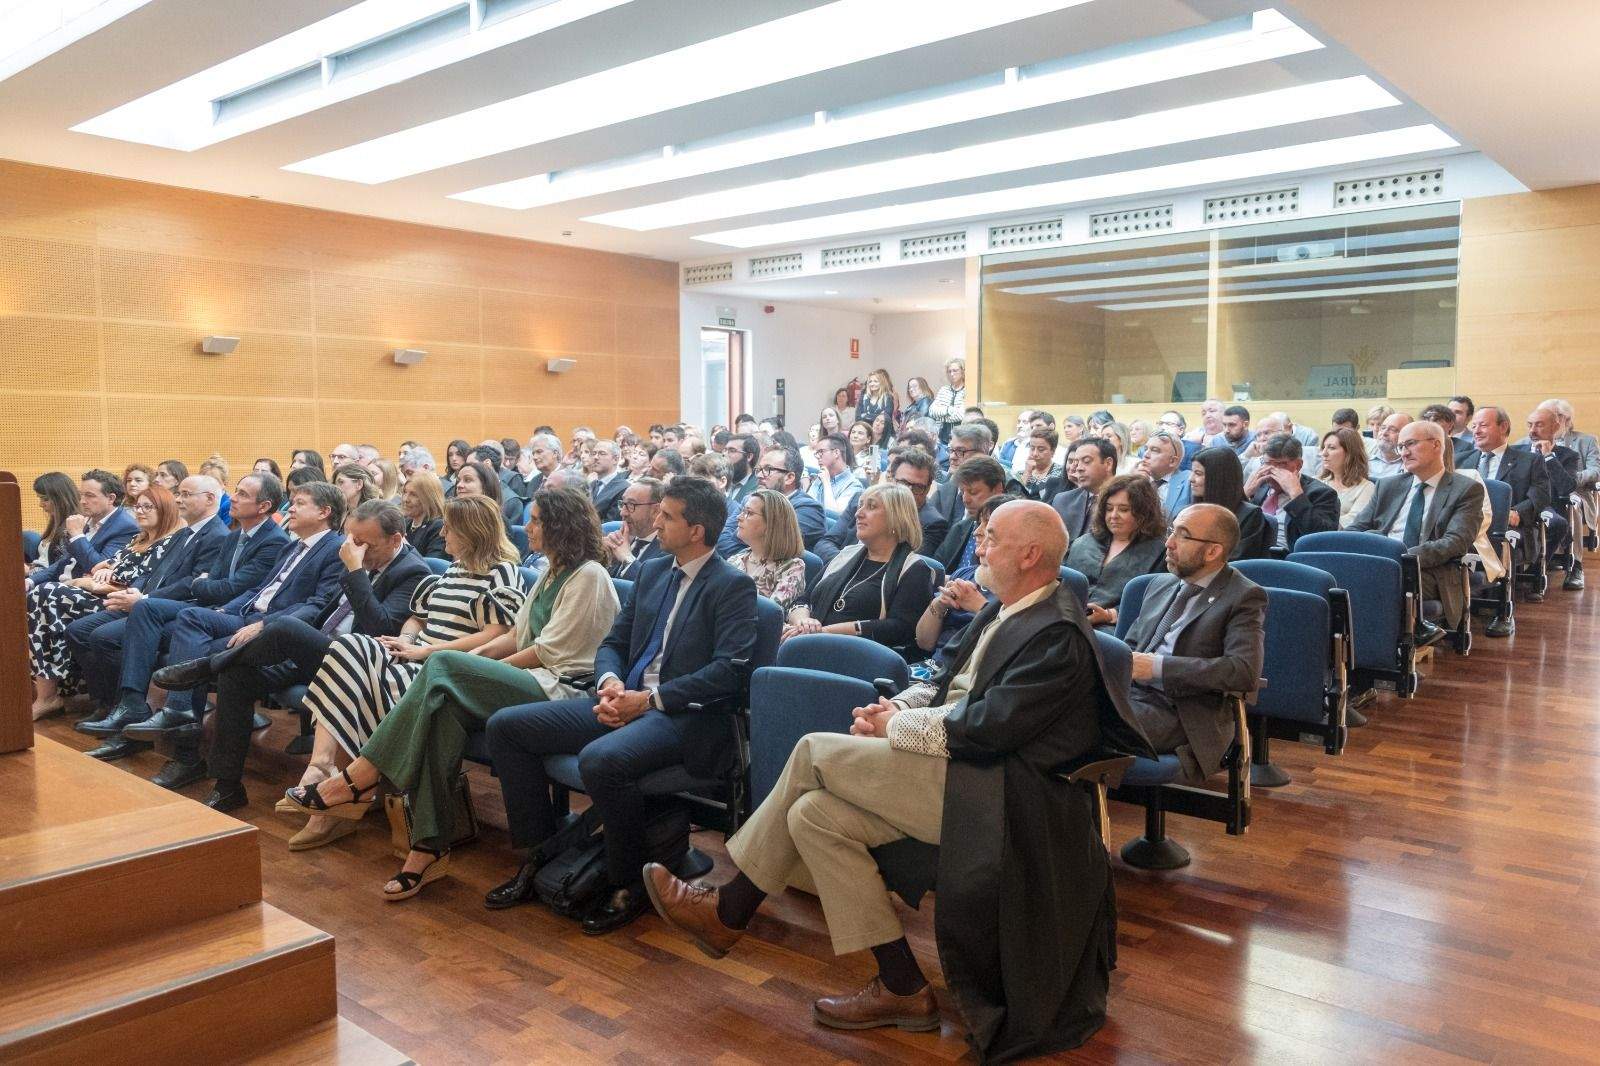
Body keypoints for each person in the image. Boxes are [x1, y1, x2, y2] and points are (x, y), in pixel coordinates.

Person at [644, 500, 1152, 1060]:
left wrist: (895, 728)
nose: (979, 546)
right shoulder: (1007, 608)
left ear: (1030, 554)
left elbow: (987, 730)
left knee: (813, 750)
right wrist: (892, 706)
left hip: (1003, 795)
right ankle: (904, 988)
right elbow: (943, 680)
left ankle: (730, 908)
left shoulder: (1057, 633)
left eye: (993, 539)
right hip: (961, 773)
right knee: (812, 815)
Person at [285, 489, 617, 885]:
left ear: (560, 527)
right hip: (531, 678)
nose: (528, 527)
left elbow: (548, 652)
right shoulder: (551, 571)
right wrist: (474, 668)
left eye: (537, 520)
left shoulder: (590, 575)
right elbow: (517, 636)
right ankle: (428, 845)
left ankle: (358, 779)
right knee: (443, 711)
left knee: (443, 665)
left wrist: (472, 668)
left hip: (561, 689)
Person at [483, 476, 757, 932]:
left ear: (697, 530)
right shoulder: (652, 571)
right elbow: (614, 641)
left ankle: (627, 881)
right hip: (624, 697)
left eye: (667, 516)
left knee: (601, 759)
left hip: (684, 716)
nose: (655, 520)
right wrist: (610, 682)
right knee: (507, 727)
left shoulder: (731, 586)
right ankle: (545, 854)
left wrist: (647, 700)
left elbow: (729, 671)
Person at [150, 499, 431, 811]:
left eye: (367, 544)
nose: (358, 550)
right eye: (354, 541)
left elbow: (380, 628)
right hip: (318, 652)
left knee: (285, 627)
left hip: (356, 665)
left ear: (395, 540)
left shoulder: (412, 571)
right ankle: (227, 785)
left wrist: (354, 570)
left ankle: (206, 667)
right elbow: (323, 606)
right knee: (237, 675)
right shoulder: (358, 555)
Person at [289, 494, 525, 840]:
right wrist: (407, 641)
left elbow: (494, 637)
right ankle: (324, 770)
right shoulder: (454, 569)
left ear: (472, 532)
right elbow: (418, 617)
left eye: (450, 528)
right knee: (349, 645)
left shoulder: (502, 572)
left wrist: (427, 651)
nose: (442, 534)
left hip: (444, 672)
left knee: (352, 666)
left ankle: (335, 789)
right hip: (415, 658)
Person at [93, 481, 342, 765]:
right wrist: (225, 610)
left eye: (299, 503)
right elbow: (257, 591)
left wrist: (263, 624)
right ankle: (153, 711)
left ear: (324, 512)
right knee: (185, 617)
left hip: (274, 631)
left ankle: (184, 750)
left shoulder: (333, 548)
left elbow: (316, 607)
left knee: (190, 646)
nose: (291, 508)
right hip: (243, 614)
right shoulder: (293, 547)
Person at [68, 474, 287, 761]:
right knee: (88, 629)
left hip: (217, 612)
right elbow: (207, 583)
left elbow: (225, 588)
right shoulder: (233, 536)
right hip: (201, 608)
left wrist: (167, 593)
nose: (232, 497)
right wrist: (148, 592)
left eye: (242, 494)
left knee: (131, 623)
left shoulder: (270, 540)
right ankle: (129, 712)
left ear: (263, 505)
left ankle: (139, 714)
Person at [61, 475, 230, 721]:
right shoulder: (184, 534)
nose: (179, 500)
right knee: (77, 630)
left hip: (175, 608)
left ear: (210, 499)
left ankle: (128, 706)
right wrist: (134, 591)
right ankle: (110, 702)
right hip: (148, 600)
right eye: (178, 494)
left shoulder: (218, 535)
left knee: (101, 637)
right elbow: (154, 572)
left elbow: (192, 585)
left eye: (185, 494)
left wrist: (145, 597)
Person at [1122, 503, 1266, 782]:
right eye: (1171, 531)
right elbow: (1128, 647)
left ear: (1213, 551)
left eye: (1183, 535)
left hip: (1182, 712)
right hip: (1132, 696)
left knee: (1077, 720)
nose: (1169, 543)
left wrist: (1157, 667)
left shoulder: (1244, 596)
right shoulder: (1160, 584)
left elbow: (1242, 671)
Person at [28, 484, 181, 719]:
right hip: (107, 596)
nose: (140, 511)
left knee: (47, 594)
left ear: (165, 510)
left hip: (123, 602)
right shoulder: (137, 539)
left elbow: (135, 582)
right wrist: (98, 575)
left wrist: (91, 581)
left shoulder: (165, 543)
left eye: (148, 507)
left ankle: (59, 694)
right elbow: (101, 567)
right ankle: (81, 695)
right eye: (138, 506)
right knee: (43, 596)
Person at [1348, 421, 1485, 640]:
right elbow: (1357, 527)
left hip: (1429, 570)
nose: (1404, 452)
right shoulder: (1388, 486)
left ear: (1436, 445)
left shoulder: (1466, 489)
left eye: (1410, 444)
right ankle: (1352, 649)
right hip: (1378, 559)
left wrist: (1401, 557)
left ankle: (1388, 650)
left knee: (1381, 576)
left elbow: (1455, 542)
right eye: (1400, 446)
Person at [785, 484, 937, 653]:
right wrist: (803, 623)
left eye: (871, 506)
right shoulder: (846, 555)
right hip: (808, 643)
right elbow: (803, 600)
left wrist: (825, 633)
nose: (858, 513)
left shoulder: (914, 569)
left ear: (897, 517)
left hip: (858, 659)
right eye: (860, 505)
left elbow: (900, 628)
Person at [1065, 474, 1168, 628]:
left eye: (1124, 509)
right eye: (1109, 508)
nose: (1113, 516)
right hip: (1066, 619)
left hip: (1114, 630)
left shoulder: (1159, 552)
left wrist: (1109, 615)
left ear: (1143, 513)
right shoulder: (1084, 542)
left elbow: (1155, 604)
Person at [815, 447, 948, 564]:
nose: (908, 491)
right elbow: (825, 544)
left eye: (917, 487)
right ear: (891, 479)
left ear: (927, 489)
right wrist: (844, 566)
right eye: (902, 483)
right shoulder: (861, 501)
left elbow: (903, 568)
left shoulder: (932, 524)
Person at [27, 469, 137, 591]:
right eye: (81, 495)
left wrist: (77, 535)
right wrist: (31, 580)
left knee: (40, 592)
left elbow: (99, 568)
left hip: (87, 592)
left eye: (89, 496)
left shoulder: (126, 527)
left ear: (111, 498)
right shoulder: (86, 519)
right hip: (63, 585)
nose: (82, 501)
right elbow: (64, 561)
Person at [715, 446, 825, 555]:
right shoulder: (749, 499)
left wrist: (740, 539)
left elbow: (773, 548)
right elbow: (722, 537)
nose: (758, 475)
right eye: (758, 469)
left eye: (767, 469)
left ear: (789, 477)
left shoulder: (808, 509)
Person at [1244, 434, 1341, 554]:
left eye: (1280, 465)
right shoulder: (1259, 485)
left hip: (1291, 559)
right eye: (1267, 463)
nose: (1271, 471)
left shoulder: (1322, 493)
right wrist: (1244, 494)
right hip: (1251, 553)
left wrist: (1296, 495)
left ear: (1299, 465)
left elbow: (1322, 538)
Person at [727, 489, 808, 611]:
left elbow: (769, 615)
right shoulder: (736, 559)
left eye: (749, 513)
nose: (739, 517)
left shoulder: (792, 568)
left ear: (771, 523)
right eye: (742, 511)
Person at [1189, 447, 1269, 560]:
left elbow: (1235, 561)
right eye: (1192, 472)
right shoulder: (1189, 512)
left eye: (1198, 473)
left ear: (1218, 478)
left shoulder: (1249, 516)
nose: (1190, 479)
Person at [934, 455, 1009, 573]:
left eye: (973, 492)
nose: (965, 499)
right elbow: (935, 568)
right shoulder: (960, 528)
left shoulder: (1010, 534)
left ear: (997, 489)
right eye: (962, 491)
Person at [1050, 437, 1119, 540]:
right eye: (1077, 462)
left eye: (1086, 461)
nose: (1078, 468)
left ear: (1108, 464)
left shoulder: (1127, 502)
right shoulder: (1063, 500)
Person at [605, 477, 667, 581]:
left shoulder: (667, 548)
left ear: (656, 510)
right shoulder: (623, 539)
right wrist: (604, 556)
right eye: (622, 504)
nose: (622, 513)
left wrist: (627, 558)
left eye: (631, 505)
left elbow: (651, 587)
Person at [1318, 427, 1376, 528]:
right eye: (1323, 447)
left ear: (1349, 453)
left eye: (1331, 448)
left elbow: (1352, 523)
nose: (1324, 453)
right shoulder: (1316, 481)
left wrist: (1315, 520)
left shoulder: (1367, 488)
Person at [27, 472, 79, 581]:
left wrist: (28, 571)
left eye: (45, 499)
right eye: (40, 498)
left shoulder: (72, 527)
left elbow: (59, 568)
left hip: (47, 583)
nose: (40, 504)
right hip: (36, 577)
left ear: (61, 498)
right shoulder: (56, 521)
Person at [808, 431, 864, 522]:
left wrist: (826, 483)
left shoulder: (854, 485)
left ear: (836, 453)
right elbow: (807, 505)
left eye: (821, 452)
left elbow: (834, 516)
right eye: (816, 453)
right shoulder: (821, 477)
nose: (818, 457)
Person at [1139, 430, 1192, 518]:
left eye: (1155, 450)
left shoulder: (1189, 482)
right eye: (1145, 449)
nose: (1146, 455)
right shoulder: (1135, 479)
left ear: (1173, 461)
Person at [400, 470, 449, 560]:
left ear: (429, 497)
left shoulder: (439, 527)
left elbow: (434, 566)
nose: (405, 499)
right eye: (405, 492)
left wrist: (403, 545)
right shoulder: (405, 523)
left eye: (413, 494)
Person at [1018, 427, 1065, 501]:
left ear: (1053, 451)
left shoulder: (1061, 473)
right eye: (1032, 448)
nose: (1035, 454)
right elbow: (1013, 500)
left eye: (1041, 450)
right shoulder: (1020, 474)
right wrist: (1027, 473)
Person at [927, 356, 966, 442]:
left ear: (963, 371)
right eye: (949, 371)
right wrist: (948, 410)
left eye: (955, 370)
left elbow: (961, 415)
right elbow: (932, 411)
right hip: (942, 436)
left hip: (961, 437)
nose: (952, 374)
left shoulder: (967, 391)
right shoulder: (944, 390)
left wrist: (942, 416)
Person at [855, 369, 897, 446]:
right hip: (866, 435)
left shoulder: (888, 398)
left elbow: (885, 419)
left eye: (875, 381)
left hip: (883, 437)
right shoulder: (863, 397)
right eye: (870, 381)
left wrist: (865, 415)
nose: (872, 384)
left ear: (881, 383)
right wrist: (876, 416)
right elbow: (858, 418)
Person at [590, 440, 629, 522]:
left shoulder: (624, 488)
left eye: (602, 453)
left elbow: (611, 524)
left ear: (615, 459)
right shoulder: (591, 485)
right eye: (593, 453)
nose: (595, 457)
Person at [720, 434, 761, 503]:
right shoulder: (721, 482)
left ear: (748, 456)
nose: (724, 454)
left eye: (732, 450)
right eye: (725, 450)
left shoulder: (757, 487)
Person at [1370, 412, 1412, 477]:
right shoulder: (1364, 460)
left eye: (1392, 430)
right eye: (1383, 428)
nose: (1384, 433)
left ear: (1408, 435)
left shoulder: (1412, 466)